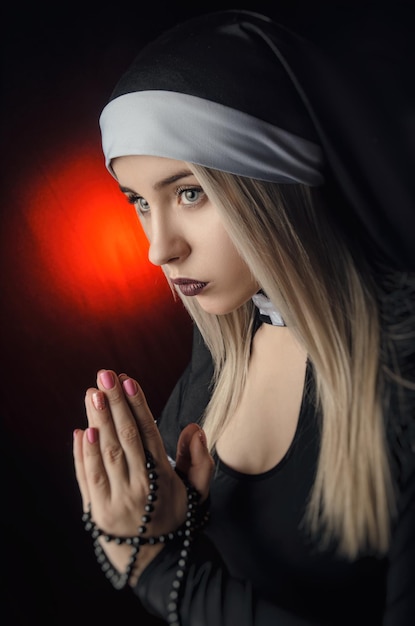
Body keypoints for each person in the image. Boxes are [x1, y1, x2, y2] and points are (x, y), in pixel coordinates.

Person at [73, 7, 415, 625]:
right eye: (139, 203)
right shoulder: (226, 340)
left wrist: (153, 567)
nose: (159, 247)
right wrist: (183, 524)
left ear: (275, 177)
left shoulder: (403, 372)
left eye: (189, 192)